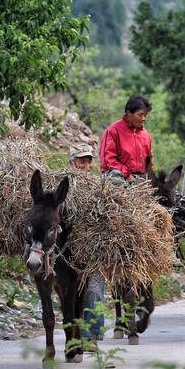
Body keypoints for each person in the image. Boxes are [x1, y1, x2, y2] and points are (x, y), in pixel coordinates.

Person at [69, 143, 106, 350]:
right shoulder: (64, 185)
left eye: (89, 161)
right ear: (72, 162)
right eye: (81, 160)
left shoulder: (98, 186)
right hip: (71, 251)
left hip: (93, 248)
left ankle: (91, 336)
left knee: (94, 292)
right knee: (73, 294)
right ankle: (77, 336)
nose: (86, 165)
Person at [99, 94, 153, 183]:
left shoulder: (146, 135)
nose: (144, 119)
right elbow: (108, 160)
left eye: (145, 115)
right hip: (119, 175)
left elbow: (149, 163)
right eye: (140, 115)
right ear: (128, 113)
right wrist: (127, 174)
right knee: (116, 180)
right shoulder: (113, 131)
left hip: (140, 177)